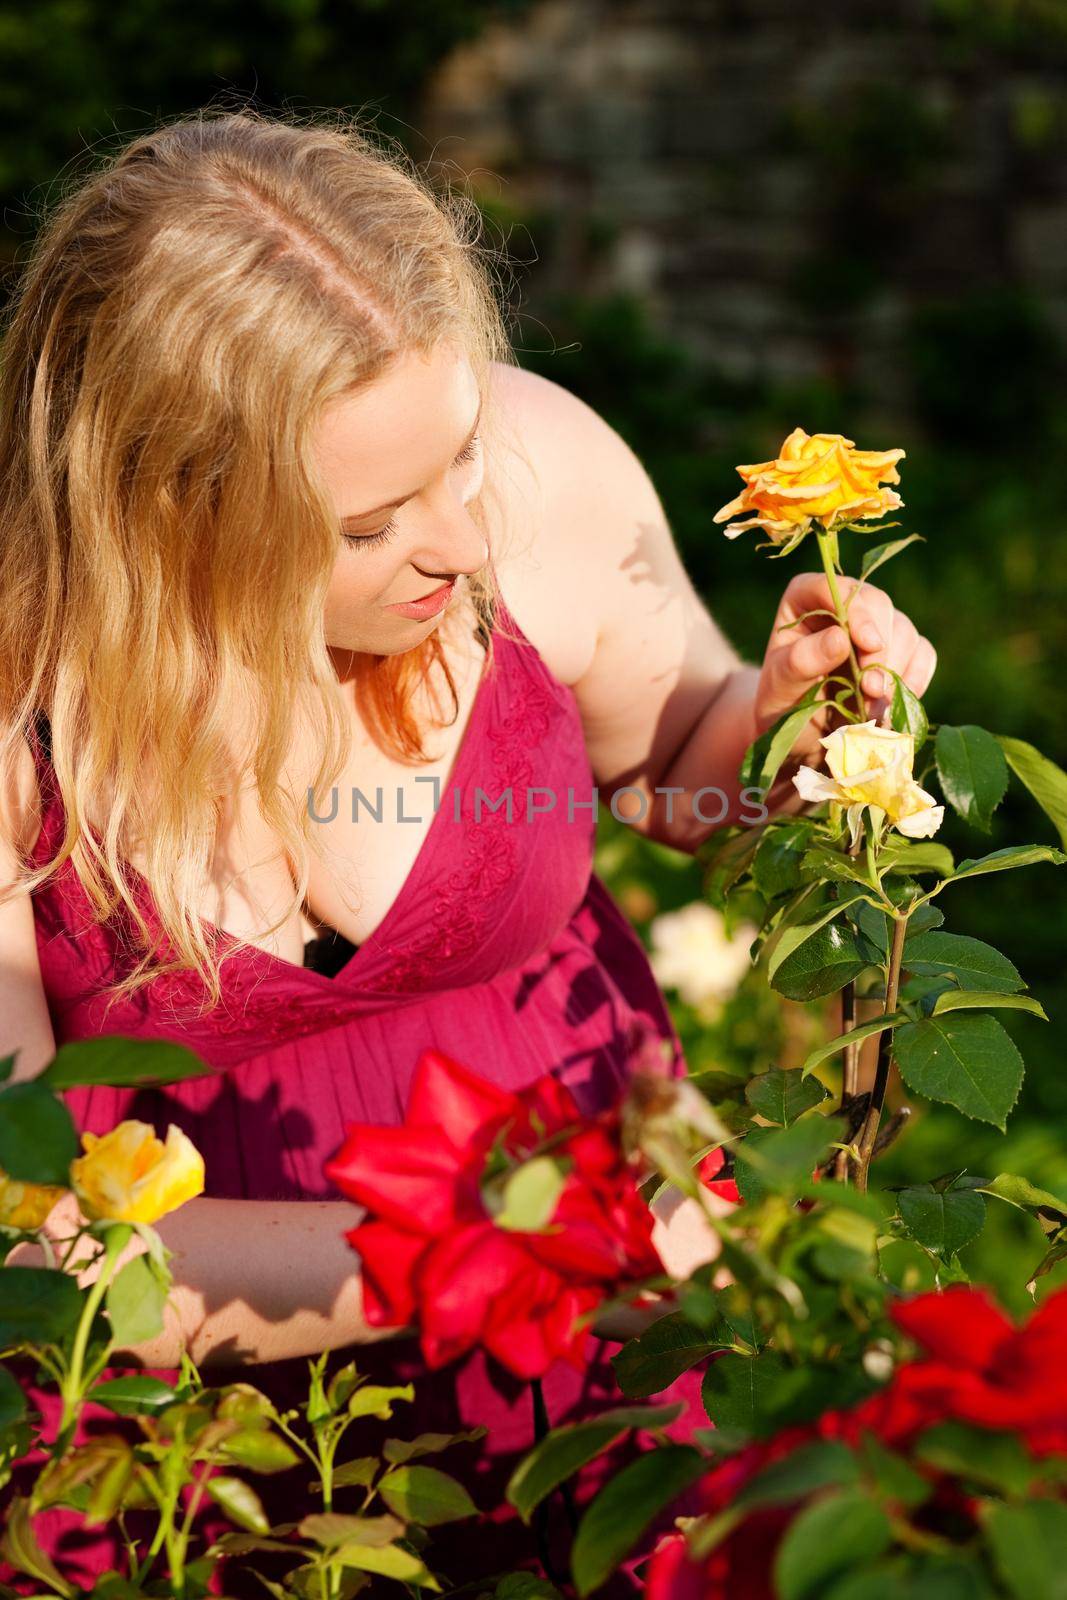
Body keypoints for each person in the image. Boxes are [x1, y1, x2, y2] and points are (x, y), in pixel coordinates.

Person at [0, 106, 936, 1589]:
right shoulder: (19, 699)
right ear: (170, 501)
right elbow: (24, 1249)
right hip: (197, 1455)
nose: (457, 541)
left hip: (608, 1355)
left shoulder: (537, 476)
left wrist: (791, 744)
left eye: (459, 458)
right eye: (370, 524)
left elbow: (679, 780)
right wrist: (482, 1260)